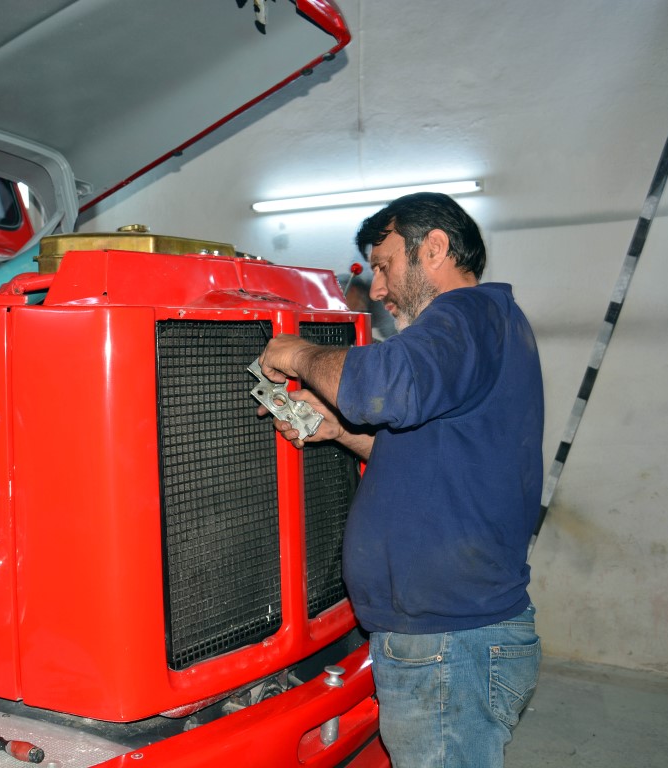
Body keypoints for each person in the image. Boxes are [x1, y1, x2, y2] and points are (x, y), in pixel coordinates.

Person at [257, 192, 543, 767]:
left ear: (433, 247)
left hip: (448, 645)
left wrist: (296, 353)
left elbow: (385, 387)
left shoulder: (464, 315)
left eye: (385, 265)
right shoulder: (489, 328)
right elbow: (432, 446)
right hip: (452, 640)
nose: (380, 288)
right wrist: (340, 431)